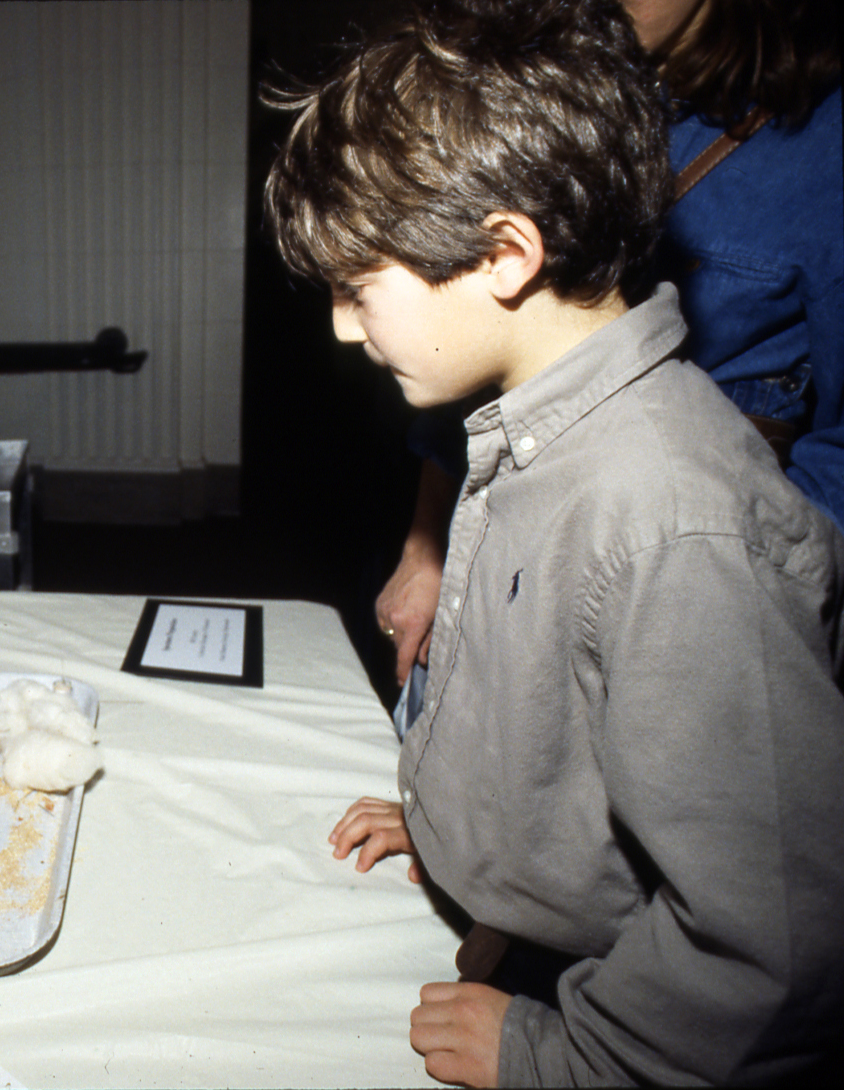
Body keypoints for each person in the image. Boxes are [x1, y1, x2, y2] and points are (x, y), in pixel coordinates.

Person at [266, 0, 844, 1084]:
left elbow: (775, 945)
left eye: (358, 287)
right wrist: (460, 832)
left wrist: (558, 1052)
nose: (343, 327)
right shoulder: (539, 429)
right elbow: (557, 747)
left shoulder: (679, 527)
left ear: (505, 255)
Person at [377, 0, 843, 691]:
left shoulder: (819, 143)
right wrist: (427, 545)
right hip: (499, 559)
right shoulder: (528, 85)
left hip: (682, 601)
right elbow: (475, 357)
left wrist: (746, 608)